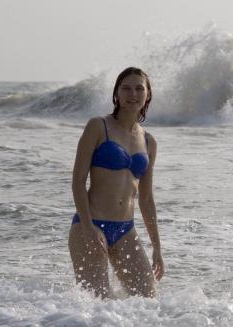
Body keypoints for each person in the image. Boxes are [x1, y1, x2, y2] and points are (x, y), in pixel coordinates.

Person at [68, 67, 164, 298]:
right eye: (126, 88)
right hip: (89, 225)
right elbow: (78, 182)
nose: (133, 93)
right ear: (117, 94)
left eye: (139, 88)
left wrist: (157, 248)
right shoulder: (98, 127)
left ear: (148, 94)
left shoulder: (149, 141)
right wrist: (90, 228)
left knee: (148, 303)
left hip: (125, 230)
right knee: (98, 306)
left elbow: (147, 198)